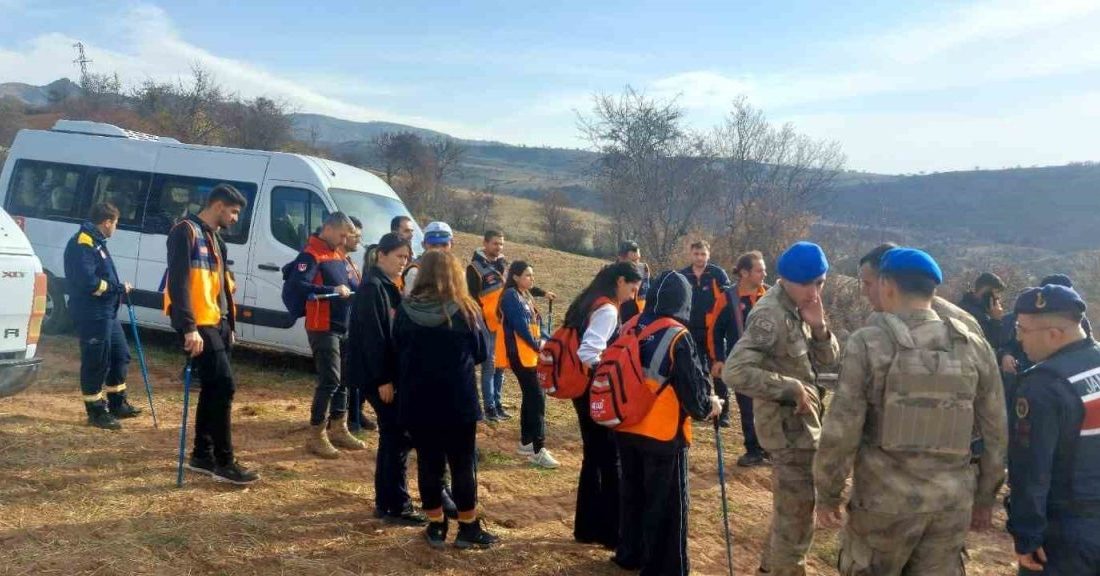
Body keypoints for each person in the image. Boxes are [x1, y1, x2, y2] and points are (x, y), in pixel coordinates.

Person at [815, 248, 1007, 575]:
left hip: (883, 506)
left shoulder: (869, 343)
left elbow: (842, 429)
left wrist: (828, 493)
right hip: (950, 506)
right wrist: (985, 498)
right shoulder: (973, 344)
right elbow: (996, 432)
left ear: (887, 285)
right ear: (932, 290)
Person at [723, 241, 839, 576]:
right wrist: (788, 387)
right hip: (788, 432)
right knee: (797, 523)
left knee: (793, 514)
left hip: (807, 426)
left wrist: (819, 329)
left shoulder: (805, 306)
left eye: (820, 282)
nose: (815, 291)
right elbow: (735, 371)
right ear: (786, 279)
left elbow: (828, 368)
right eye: (808, 284)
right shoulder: (770, 315)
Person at [612, 270, 723, 576]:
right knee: (667, 507)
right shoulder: (678, 336)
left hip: (624, 425)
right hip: (661, 433)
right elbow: (694, 397)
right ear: (684, 300)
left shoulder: (631, 324)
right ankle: (662, 568)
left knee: (632, 495)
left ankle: (629, 553)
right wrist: (711, 406)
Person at [395, 251, 498, 549]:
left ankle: (436, 525)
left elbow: (396, 348)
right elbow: (480, 353)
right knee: (463, 464)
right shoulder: (467, 310)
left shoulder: (405, 310)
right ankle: (468, 527)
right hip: (458, 402)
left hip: (417, 401)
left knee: (429, 464)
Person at [167, 184, 259, 485]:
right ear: (219, 206)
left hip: (217, 323)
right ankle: (224, 461)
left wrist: (229, 325)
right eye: (233, 212)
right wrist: (189, 327)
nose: (235, 218)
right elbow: (178, 282)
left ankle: (201, 455)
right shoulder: (185, 231)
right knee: (224, 386)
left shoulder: (216, 239)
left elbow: (222, 287)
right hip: (200, 324)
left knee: (212, 388)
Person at [1007, 284, 1100, 575]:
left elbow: (1032, 469)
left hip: (1066, 534)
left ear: (1053, 335)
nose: (1018, 338)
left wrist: (1027, 535)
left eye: (1022, 329)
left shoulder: (1043, 386)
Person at [345, 232, 427, 523]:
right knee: (396, 438)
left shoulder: (389, 285)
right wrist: (384, 380)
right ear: (381, 255)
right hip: (377, 376)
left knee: (394, 438)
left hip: (386, 374)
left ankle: (388, 502)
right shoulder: (372, 288)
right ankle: (396, 506)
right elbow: (374, 337)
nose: (403, 263)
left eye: (407, 258)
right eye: (399, 257)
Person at [566, 261, 642, 548]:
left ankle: (586, 527)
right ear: (620, 280)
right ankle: (612, 532)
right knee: (611, 461)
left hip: (580, 390)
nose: (636, 292)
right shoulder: (608, 309)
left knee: (593, 457)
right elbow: (588, 350)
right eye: (634, 285)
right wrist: (608, 378)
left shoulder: (586, 301)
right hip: (594, 392)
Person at [282, 212, 363, 459]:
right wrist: (331, 289)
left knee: (345, 379)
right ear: (328, 229)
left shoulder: (337, 255)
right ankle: (316, 434)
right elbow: (299, 285)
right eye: (341, 235)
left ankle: (339, 427)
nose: (343, 240)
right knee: (330, 380)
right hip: (322, 325)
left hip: (343, 325)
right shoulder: (311, 255)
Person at [63, 201, 141, 430]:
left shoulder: (97, 240)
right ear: (107, 222)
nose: (116, 227)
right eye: (116, 223)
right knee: (96, 361)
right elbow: (89, 283)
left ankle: (117, 402)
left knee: (120, 355)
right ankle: (96, 411)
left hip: (107, 312)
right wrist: (118, 289)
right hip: (91, 313)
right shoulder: (83, 243)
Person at [466, 230, 554, 421]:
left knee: (501, 365)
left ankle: (497, 404)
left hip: (504, 323)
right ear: (485, 243)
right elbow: (472, 298)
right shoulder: (474, 268)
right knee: (489, 365)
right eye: (495, 243)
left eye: (501, 244)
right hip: (487, 323)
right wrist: (478, 322)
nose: (498, 247)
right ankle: (488, 407)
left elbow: (519, 284)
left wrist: (542, 292)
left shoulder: (504, 265)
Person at [709, 250, 769, 464]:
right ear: (744, 272)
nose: (764, 273)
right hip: (743, 363)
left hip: (769, 363)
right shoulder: (727, 298)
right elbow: (714, 330)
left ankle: (769, 448)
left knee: (769, 407)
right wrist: (718, 359)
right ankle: (753, 450)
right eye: (759, 270)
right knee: (748, 407)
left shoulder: (769, 296)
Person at [498, 260, 559, 468]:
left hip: (531, 353)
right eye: (527, 275)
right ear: (515, 277)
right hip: (521, 354)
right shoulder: (510, 296)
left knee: (532, 395)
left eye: (532, 275)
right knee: (537, 397)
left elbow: (535, 324)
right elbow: (520, 326)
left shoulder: (526, 295)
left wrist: (549, 340)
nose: (532, 279)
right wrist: (537, 345)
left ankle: (526, 442)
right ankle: (538, 449)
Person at [680, 239, 731, 415]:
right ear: (690, 254)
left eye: (703, 254)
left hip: (714, 331)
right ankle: (702, 407)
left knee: (718, 370)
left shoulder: (718, 274)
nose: (700, 257)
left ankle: (723, 412)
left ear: (708, 255)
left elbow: (728, 301)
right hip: (690, 329)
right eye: (696, 254)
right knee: (696, 370)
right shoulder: (682, 275)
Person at [342, 217, 376, 433]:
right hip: (344, 326)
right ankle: (346, 418)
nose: (358, 240)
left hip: (355, 324)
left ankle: (356, 412)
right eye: (355, 235)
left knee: (359, 374)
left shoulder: (351, 262)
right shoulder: (337, 262)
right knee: (348, 376)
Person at [402, 221, 453, 296]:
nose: (439, 249)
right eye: (433, 245)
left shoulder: (456, 271)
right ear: (423, 245)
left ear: (452, 245)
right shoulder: (415, 272)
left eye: (444, 244)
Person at [958, 271, 1007, 350]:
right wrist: (996, 320)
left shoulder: (968, 306)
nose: (998, 298)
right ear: (986, 292)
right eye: (996, 292)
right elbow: (989, 346)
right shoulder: (973, 314)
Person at [614, 241, 651, 322]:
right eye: (632, 261)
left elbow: (645, 292)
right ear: (620, 258)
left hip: (638, 315)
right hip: (617, 314)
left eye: (638, 259)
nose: (636, 264)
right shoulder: (612, 271)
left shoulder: (644, 268)